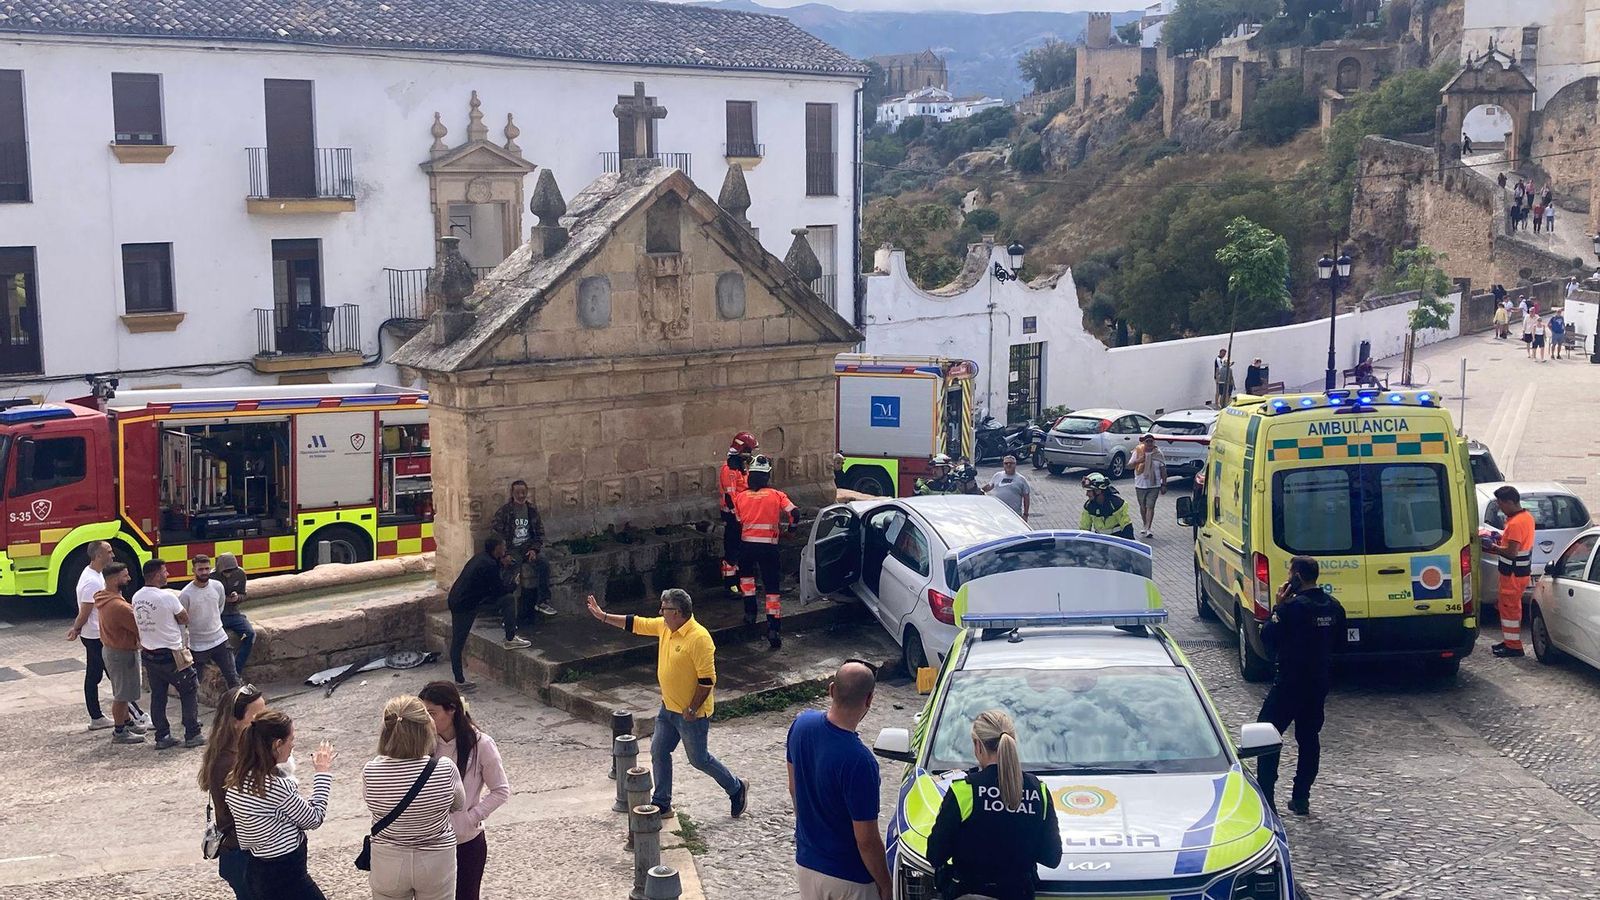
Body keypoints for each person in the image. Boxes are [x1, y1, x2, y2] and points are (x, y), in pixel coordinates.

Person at [586, 589, 748, 819]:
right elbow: (637, 624)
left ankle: (736, 787)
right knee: (659, 751)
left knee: (699, 760)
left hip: (691, 713)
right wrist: (603, 616)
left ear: (678, 612)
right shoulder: (665, 626)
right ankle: (662, 801)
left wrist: (692, 708)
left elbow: (707, 680)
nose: (660, 613)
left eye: (664, 609)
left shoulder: (699, 638)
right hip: (668, 708)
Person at [926, 710, 1062, 900]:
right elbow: (1052, 857)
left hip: (969, 893)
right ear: (1012, 741)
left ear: (978, 745)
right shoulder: (1039, 791)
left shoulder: (964, 791)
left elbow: (935, 855)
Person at [787, 661, 891, 900]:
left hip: (807, 865)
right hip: (850, 877)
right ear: (869, 700)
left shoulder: (800, 725)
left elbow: (793, 788)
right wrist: (885, 884)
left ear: (832, 689)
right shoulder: (860, 761)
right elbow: (866, 839)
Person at [1256, 555, 1346, 816]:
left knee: (1266, 735)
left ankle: (1267, 797)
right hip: (1318, 683)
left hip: (1288, 683)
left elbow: (1268, 638)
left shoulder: (1291, 608)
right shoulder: (1334, 606)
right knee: (1309, 739)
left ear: (1297, 576)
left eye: (1289, 572)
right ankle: (1301, 797)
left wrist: (1277, 607)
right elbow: (1341, 645)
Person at [225, 709, 336, 900]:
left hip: (257, 869)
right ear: (277, 744)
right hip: (286, 875)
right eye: (291, 739)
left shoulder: (237, 780)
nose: (293, 745)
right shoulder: (275, 787)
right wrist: (322, 773)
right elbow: (314, 818)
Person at [364, 695, 466, 900]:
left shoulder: (371, 771)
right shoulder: (444, 769)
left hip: (388, 859)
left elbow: (374, 806)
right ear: (426, 729)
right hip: (435, 858)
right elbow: (459, 805)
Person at [420, 681, 510, 900]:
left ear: (451, 710)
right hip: (429, 842)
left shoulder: (481, 744)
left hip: (466, 842)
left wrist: (470, 817)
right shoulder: (424, 743)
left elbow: (500, 790)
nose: (427, 721)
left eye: (432, 713)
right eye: (423, 713)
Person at [66, 540, 147, 732]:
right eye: (109, 552)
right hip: (96, 636)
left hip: (95, 634)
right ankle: (136, 717)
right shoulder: (92, 581)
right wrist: (76, 628)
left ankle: (97, 717)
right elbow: (85, 611)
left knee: (94, 675)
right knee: (118, 680)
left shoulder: (95, 575)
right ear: (98, 556)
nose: (113, 555)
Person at [201, 684, 268, 900]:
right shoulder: (230, 762)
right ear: (236, 721)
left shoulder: (237, 752)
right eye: (258, 715)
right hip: (243, 854)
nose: (266, 720)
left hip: (241, 852)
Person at [133, 559, 203, 749]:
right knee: (189, 690)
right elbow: (184, 617)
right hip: (172, 654)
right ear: (156, 575)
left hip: (149, 654)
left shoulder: (136, 597)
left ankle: (162, 736)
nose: (168, 574)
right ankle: (192, 732)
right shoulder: (168, 597)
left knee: (158, 695)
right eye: (165, 571)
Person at [732, 455, 799, 647]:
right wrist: (791, 531)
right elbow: (794, 512)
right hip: (769, 547)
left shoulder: (740, 497)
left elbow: (738, 523)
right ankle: (773, 627)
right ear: (767, 476)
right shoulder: (777, 495)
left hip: (747, 547)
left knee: (747, 581)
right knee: (772, 589)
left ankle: (750, 613)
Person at [448, 537, 520, 690]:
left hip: (462, 599)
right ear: (497, 549)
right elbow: (498, 590)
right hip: (464, 605)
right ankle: (459, 681)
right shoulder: (489, 565)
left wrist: (502, 565)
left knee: (507, 600)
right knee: (458, 641)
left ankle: (510, 637)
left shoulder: (482, 558)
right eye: (503, 546)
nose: (505, 549)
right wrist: (514, 584)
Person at [489, 479, 555, 627]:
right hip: (511, 548)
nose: (521, 495)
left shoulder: (531, 510)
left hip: (527, 547)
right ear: (512, 494)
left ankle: (542, 601)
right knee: (511, 571)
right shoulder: (505, 512)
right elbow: (496, 534)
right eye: (518, 492)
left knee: (543, 563)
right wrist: (503, 554)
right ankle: (507, 613)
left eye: (523, 492)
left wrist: (534, 549)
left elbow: (539, 533)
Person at [94, 562, 146, 744]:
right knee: (123, 695)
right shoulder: (119, 606)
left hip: (111, 649)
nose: (129, 579)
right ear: (115, 579)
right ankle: (119, 731)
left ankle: (127, 721)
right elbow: (139, 628)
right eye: (125, 576)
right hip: (122, 652)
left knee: (122, 691)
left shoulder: (103, 598)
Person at [1483, 485, 1535, 658]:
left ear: (1510, 502)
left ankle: (1513, 647)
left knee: (1509, 611)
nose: (1500, 508)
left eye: (1501, 504)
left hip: (1511, 574)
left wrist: (1494, 547)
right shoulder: (1526, 517)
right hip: (1519, 573)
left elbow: (1511, 552)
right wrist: (1500, 541)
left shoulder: (1515, 523)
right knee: (1510, 609)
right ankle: (1509, 641)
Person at [180, 554, 241, 688]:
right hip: (198, 646)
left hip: (220, 640)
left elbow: (220, 606)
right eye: (200, 569)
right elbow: (182, 621)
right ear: (193, 571)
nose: (204, 572)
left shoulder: (217, 586)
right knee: (194, 683)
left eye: (207, 569)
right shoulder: (186, 594)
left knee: (233, 678)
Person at [718, 431, 759, 594]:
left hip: (744, 515)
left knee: (743, 550)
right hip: (733, 515)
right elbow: (730, 496)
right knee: (732, 550)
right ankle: (730, 584)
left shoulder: (741, 467)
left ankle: (744, 583)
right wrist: (738, 516)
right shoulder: (729, 469)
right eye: (749, 451)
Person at [216, 553, 256, 673]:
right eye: (226, 571)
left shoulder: (240, 574)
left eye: (231, 570)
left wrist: (237, 597)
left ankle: (237, 669)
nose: (229, 573)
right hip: (217, 615)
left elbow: (244, 594)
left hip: (233, 613)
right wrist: (223, 599)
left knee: (250, 634)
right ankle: (227, 671)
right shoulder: (212, 577)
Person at [1130, 434, 1166, 539]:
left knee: (1150, 506)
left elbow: (1163, 469)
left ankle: (1148, 528)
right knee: (1143, 506)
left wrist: (1164, 483)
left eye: (1151, 441)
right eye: (1147, 441)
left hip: (1154, 485)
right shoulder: (1138, 452)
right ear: (1144, 442)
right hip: (1140, 484)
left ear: (1154, 443)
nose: (1149, 444)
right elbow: (1130, 465)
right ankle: (1145, 524)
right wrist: (1139, 460)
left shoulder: (1158, 454)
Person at [1079, 472, 1134, 539]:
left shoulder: (1116, 504)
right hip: (1100, 542)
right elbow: (1084, 529)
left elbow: (1127, 528)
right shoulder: (1088, 506)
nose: (1087, 494)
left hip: (1117, 541)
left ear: (1098, 491)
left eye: (1089, 491)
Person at [981, 455, 1032, 520]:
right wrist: (980, 491)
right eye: (1006, 463)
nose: (1008, 465)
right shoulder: (997, 475)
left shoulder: (1021, 479)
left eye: (1011, 463)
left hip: (1014, 515)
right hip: (998, 514)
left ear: (1015, 464)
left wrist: (1025, 514)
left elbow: (1026, 498)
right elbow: (989, 486)